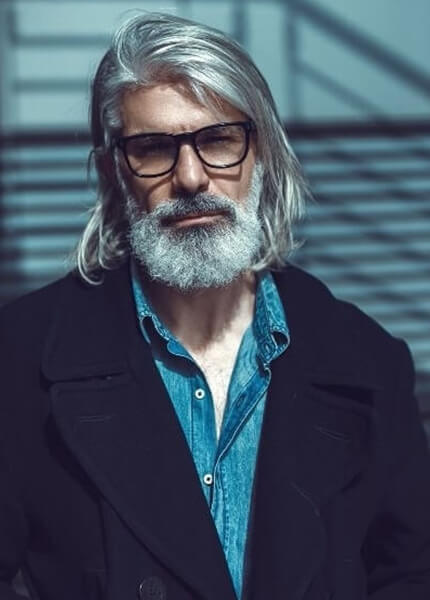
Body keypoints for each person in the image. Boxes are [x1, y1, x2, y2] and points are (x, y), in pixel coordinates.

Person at [1, 12, 430, 600]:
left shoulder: (371, 362)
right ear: (114, 173)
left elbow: (413, 574)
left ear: (261, 155)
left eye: (219, 140)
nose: (190, 177)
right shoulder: (18, 356)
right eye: (153, 148)